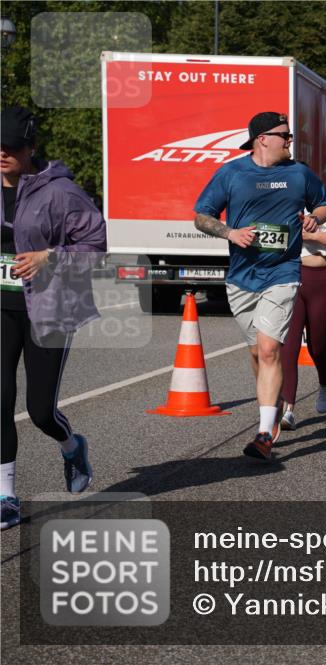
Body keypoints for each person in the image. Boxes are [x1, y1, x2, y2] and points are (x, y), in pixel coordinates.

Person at [194, 111, 326, 461]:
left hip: (283, 273)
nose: (290, 140)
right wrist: (230, 233)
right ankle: (272, 404)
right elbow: (202, 215)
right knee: (257, 352)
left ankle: (264, 433)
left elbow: (325, 204)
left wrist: (315, 216)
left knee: (270, 350)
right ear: (262, 139)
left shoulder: (299, 173)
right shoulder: (232, 173)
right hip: (242, 278)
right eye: (284, 135)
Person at [1, 107, 106, 529]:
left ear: (31, 148)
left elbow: (96, 246)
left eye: (10, 147)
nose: (2, 154)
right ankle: (6, 495)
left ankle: (70, 445)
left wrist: (50, 256)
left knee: (40, 410)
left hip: (49, 308)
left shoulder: (61, 193)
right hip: (1, 307)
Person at [278, 198, 326, 431]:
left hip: (323, 279)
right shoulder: (279, 202)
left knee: (317, 347)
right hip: (289, 276)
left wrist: (311, 236)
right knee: (288, 345)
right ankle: (287, 408)